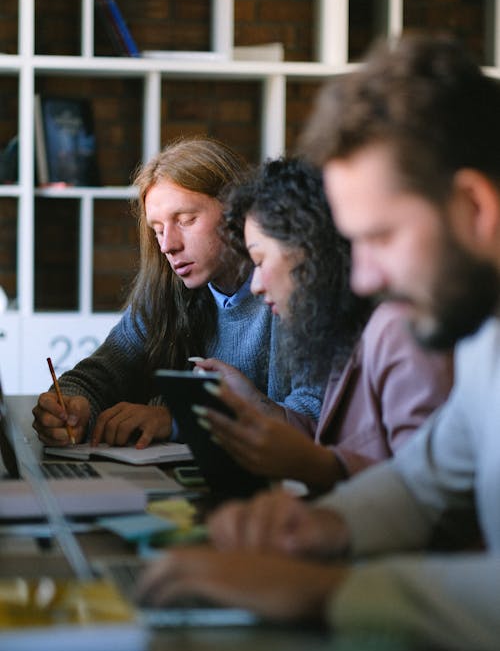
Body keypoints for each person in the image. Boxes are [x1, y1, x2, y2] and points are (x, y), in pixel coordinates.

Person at [137, 34, 500, 651]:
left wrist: (321, 590)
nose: (361, 279)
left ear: (474, 206)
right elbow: (422, 482)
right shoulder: (483, 335)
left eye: (381, 237)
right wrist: (318, 526)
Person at [32, 137, 323, 450]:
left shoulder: (288, 290)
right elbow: (97, 375)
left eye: (186, 221)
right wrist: (72, 409)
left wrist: (176, 420)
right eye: (157, 229)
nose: (168, 245)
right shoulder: (165, 290)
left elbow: (312, 418)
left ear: (236, 211)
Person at [190, 156, 452, 495]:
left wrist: (317, 465)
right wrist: (257, 404)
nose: (254, 285)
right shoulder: (343, 331)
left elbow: (429, 496)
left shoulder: (396, 331)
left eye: (259, 260)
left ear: (309, 252)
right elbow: (332, 437)